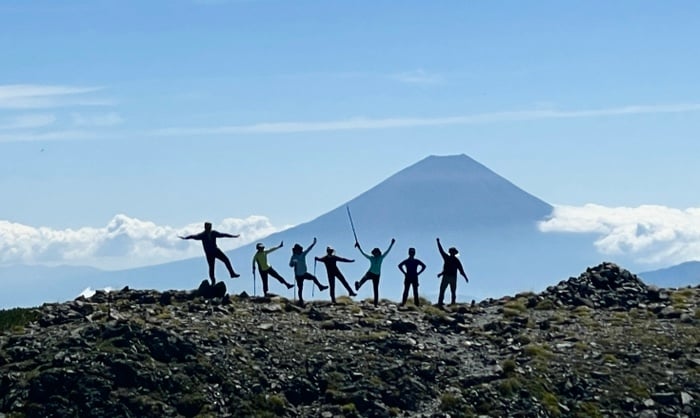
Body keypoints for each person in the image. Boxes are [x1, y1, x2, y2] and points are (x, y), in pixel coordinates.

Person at [354, 238, 395, 307]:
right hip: (370, 273)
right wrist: (359, 247)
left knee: (375, 289)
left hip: (377, 275)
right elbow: (363, 254)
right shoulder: (371, 258)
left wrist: (391, 244)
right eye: (374, 253)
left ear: (378, 252)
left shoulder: (381, 257)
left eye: (376, 253)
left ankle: (375, 304)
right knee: (364, 279)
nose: (375, 254)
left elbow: (387, 251)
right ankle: (358, 285)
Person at [289, 237, 328, 306]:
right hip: (298, 275)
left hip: (303, 273)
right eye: (297, 250)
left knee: (313, 278)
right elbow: (290, 265)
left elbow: (309, 249)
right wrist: (293, 263)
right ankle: (301, 300)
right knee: (300, 288)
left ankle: (320, 287)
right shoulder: (293, 257)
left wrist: (313, 243)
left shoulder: (302, 254)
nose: (298, 251)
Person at [436, 238, 469, 307]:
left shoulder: (453, 260)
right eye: (452, 252)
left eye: (453, 252)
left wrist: (465, 277)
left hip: (450, 277)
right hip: (449, 276)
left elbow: (461, 270)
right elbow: (441, 250)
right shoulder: (450, 258)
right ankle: (442, 302)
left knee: (450, 291)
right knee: (445, 290)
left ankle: (450, 303)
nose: (452, 253)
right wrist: (438, 242)